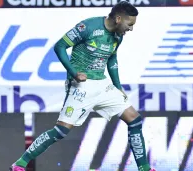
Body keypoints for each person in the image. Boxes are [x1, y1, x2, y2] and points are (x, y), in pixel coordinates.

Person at [9, 1, 155, 171]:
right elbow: (60, 46)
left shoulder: (118, 35)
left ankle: (144, 168)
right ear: (118, 18)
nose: (131, 29)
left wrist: (117, 85)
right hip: (81, 86)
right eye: (129, 24)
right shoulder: (88, 27)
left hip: (102, 85)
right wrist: (73, 73)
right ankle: (20, 163)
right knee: (61, 131)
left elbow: (112, 59)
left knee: (134, 119)